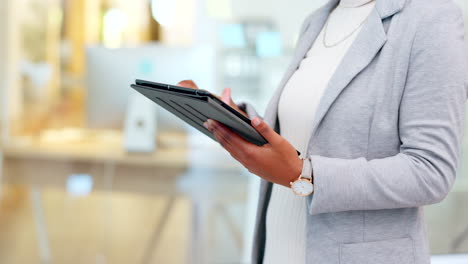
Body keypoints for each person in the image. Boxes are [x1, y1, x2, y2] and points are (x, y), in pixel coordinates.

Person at [178, 0, 468, 263]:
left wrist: (306, 174)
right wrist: (236, 119)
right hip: (278, 247)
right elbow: (304, 131)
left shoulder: (431, 18)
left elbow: (430, 171)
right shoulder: (317, 20)